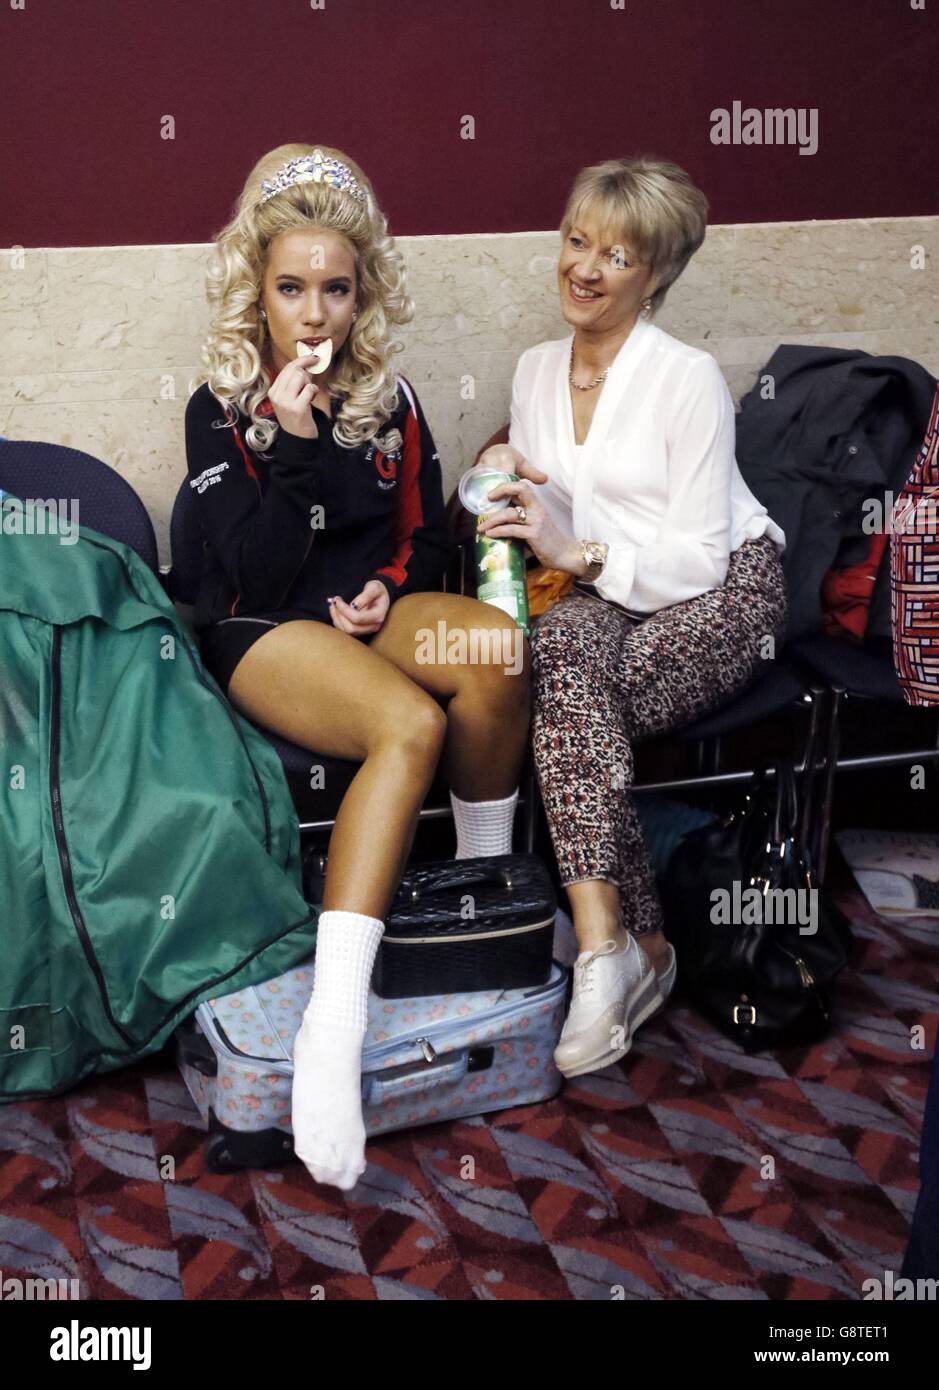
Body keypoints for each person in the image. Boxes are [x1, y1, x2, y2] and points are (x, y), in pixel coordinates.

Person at [184, 144, 530, 1190]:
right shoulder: (220, 401)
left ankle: (483, 894)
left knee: (495, 648)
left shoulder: (394, 398)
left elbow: (428, 541)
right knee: (410, 727)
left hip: (362, 621)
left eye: (336, 287)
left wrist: (391, 584)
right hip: (264, 630)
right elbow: (245, 571)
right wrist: (291, 441)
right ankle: (330, 1035)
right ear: (258, 288)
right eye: (291, 287)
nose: (315, 312)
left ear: (362, 291)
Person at [476, 156, 788, 1079]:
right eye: (577, 241)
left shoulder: (683, 377)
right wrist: (503, 480)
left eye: (616, 255)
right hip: (599, 599)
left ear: (655, 275)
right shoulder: (534, 370)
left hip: (724, 587)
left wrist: (579, 551)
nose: (585, 267)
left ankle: (622, 953)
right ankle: (616, 946)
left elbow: (694, 558)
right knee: (567, 656)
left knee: (570, 686)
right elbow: (546, 497)